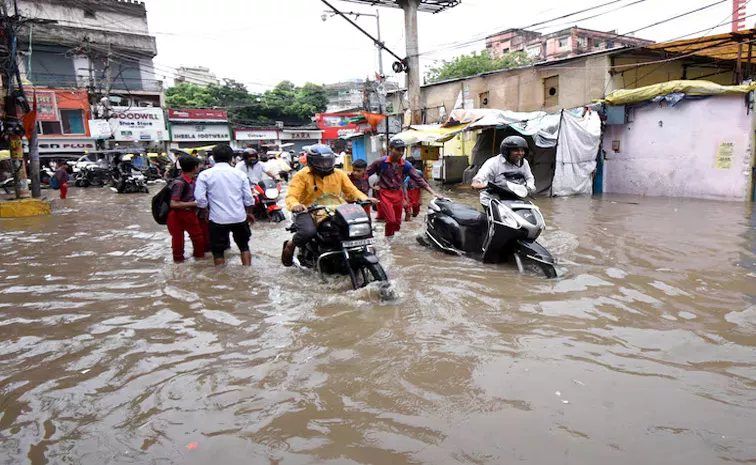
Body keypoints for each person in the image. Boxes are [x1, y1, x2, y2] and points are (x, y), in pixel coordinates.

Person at [281, 144, 378, 267]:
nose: (325, 165)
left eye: (328, 162)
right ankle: (291, 244)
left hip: (336, 208)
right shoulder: (301, 175)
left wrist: (365, 198)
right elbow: (291, 195)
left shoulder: (339, 174)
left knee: (360, 225)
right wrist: (295, 205)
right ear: (312, 162)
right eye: (321, 162)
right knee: (308, 232)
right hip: (309, 210)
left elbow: (352, 190)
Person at [194, 144, 256, 267]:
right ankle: (247, 272)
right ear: (231, 158)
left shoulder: (205, 175)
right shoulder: (240, 174)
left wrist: (204, 212)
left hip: (217, 219)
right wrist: (249, 213)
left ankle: (221, 277)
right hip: (239, 217)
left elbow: (200, 198)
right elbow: (249, 198)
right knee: (244, 247)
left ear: (213, 158)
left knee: (218, 252)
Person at [367, 139, 439, 237]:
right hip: (384, 193)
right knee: (391, 220)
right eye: (397, 150)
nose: (401, 153)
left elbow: (418, 179)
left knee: (397, 222)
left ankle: (394, 243)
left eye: (402, 150)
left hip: (398, 193)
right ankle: (388, 239)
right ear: (390, 149)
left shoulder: (406, 165)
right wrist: (370, 188)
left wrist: (432, 192)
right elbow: (365, 174)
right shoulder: (380, 162)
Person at [471, 135, 536, 208]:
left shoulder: (524, 163)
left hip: (513, 197)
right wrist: (477, 183)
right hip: (492, 200)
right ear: (506, 151)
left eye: (522, 150)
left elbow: (529, 178)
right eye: (516, 150)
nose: (520, 153)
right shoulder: (493, 163)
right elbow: (480, 176)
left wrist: (529, 188)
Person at [167, 156, 208, 263]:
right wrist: (195, 203)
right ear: (195, 167)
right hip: (179, 214)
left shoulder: (194, 181)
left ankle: (198, 261)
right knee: (179, 241)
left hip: (189, 213)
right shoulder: (179, 183)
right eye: (198, 166)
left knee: (198, 239)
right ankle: (179, 262)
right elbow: (173, 203)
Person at [404, 156, 423, 221]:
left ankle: (411, 214)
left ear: (414, 165)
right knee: (408, 210)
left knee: (415, 213)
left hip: (416, 192)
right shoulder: (403, 172)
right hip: (407, 191)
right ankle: (408, 215)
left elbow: (422, 185)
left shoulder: (419, 173)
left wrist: (420, 198)